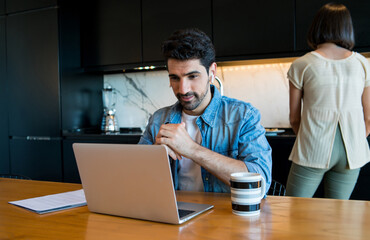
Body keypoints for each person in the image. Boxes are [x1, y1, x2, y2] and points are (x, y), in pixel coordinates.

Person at [138, 28, 272, 193]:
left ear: (212, 72)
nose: (183, 89)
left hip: (226, 216)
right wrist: (153, 157)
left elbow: (261, 183)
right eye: (174, 78)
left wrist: (191, 149)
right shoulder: (158, 119)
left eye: (192, 76)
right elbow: (137, 181)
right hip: (174, 215)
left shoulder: (243, 116)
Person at [286, 3, 370, 199]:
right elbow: (368, 118)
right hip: (353, 152)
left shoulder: (302, 64)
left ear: (317, 27)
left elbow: (294, 119)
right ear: (347, 29)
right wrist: (355, 138)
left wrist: (309, 140)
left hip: (313, 147)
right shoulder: (362, 64)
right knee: (338, 216)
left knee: (293, 210)